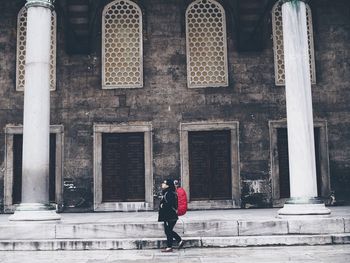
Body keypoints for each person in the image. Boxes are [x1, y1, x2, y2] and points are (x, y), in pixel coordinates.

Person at [158, 178, 185, 252]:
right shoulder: (169, 192)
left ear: (168, 185)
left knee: (168, 231)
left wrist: (162, 205)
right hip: (170, 216)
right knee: (168, 231)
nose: (162, 184)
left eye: (164, 183)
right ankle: (171, 246)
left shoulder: (169, 193)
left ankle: (178, 241)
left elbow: (169, 204)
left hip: (169, 216)